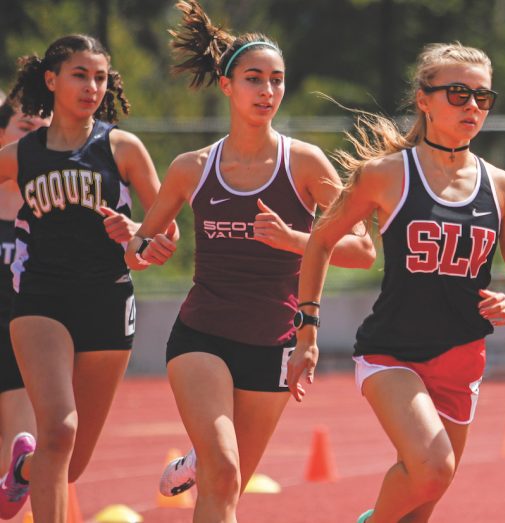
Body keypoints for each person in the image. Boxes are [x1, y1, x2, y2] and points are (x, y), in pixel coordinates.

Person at [123, 2, 375, 522]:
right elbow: (139, 248)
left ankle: (204, 452)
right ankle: (208, 451)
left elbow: (362, 252)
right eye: (254, 78)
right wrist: (146, 248)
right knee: (224, 473)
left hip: (273, 342)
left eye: (277, 81)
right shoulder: (190, 167)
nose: (267, 91)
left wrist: (292, 240)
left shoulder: (304, 163)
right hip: (202, 335)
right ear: (227, 85)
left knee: (226, 488)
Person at [288, 43, 505, 523]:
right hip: (392, 351)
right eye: (457, 93)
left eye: (482, 97)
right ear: (423, 100)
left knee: (423, 503)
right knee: (432, 467)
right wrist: (307, 330)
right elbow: (320, 243)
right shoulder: (384, 176)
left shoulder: (504, 187)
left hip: (463, 357)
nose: (472, 106)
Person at [0, 35, 171, 521]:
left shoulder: (122, 147)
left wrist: (138, 231)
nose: (91, 86)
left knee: (68, 464)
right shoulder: (22, 154)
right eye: (79, 74)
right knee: (60, 431)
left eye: (99, 77)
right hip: (41, 301)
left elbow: (164, 237)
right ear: (51, 80)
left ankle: (23, 469)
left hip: (108, 303)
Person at [0, 100, 49, 520]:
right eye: (24, 126)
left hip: (23, 341)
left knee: (20, 445)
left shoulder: (52, 205)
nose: (32, 137)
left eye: (41, 129)